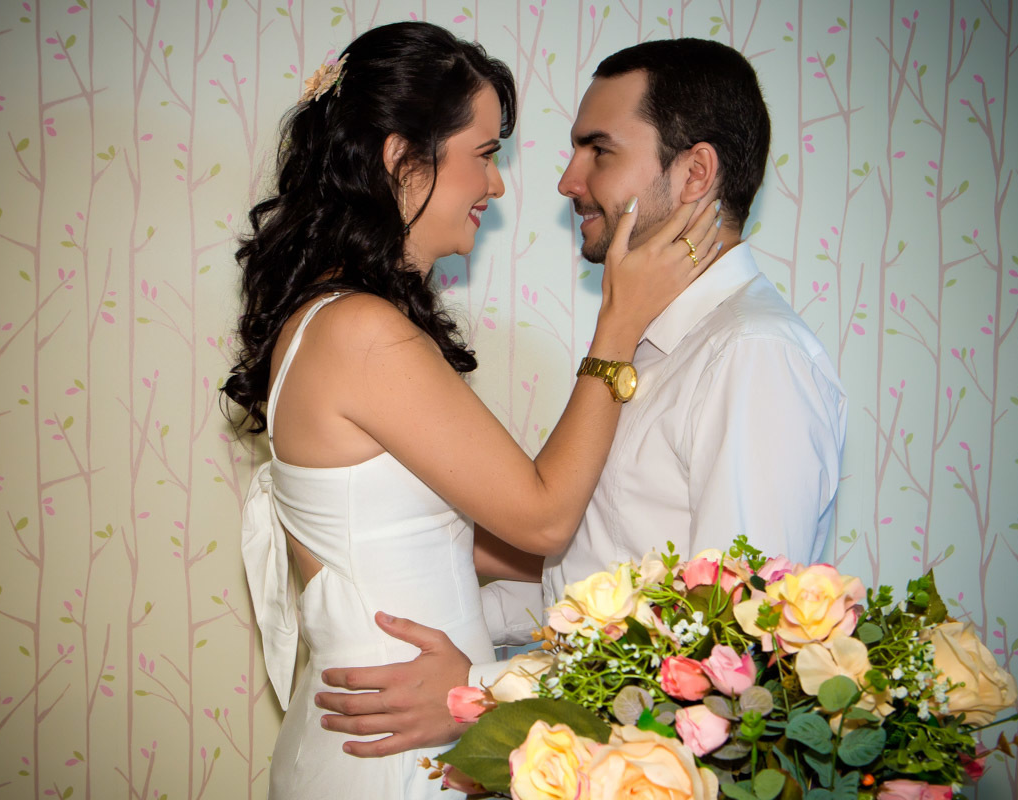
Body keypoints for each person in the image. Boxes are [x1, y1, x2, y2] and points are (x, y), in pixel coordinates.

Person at [315, 36, 848, 761]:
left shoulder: (754, 357)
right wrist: (449, 615)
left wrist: (476, 687)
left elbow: (728, 652)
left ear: (695, 173)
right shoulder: (646, 346)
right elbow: (605, 582)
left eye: (599, 150)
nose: (567, 181)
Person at [223, 23, 719, 800]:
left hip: (386, 736)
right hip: (390, 758)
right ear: (403, 159)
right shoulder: (359, 332)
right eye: (484, 155)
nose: (496, 185)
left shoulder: (335, 320)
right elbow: (543, 519)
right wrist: (618, 323)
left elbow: (459, 541)